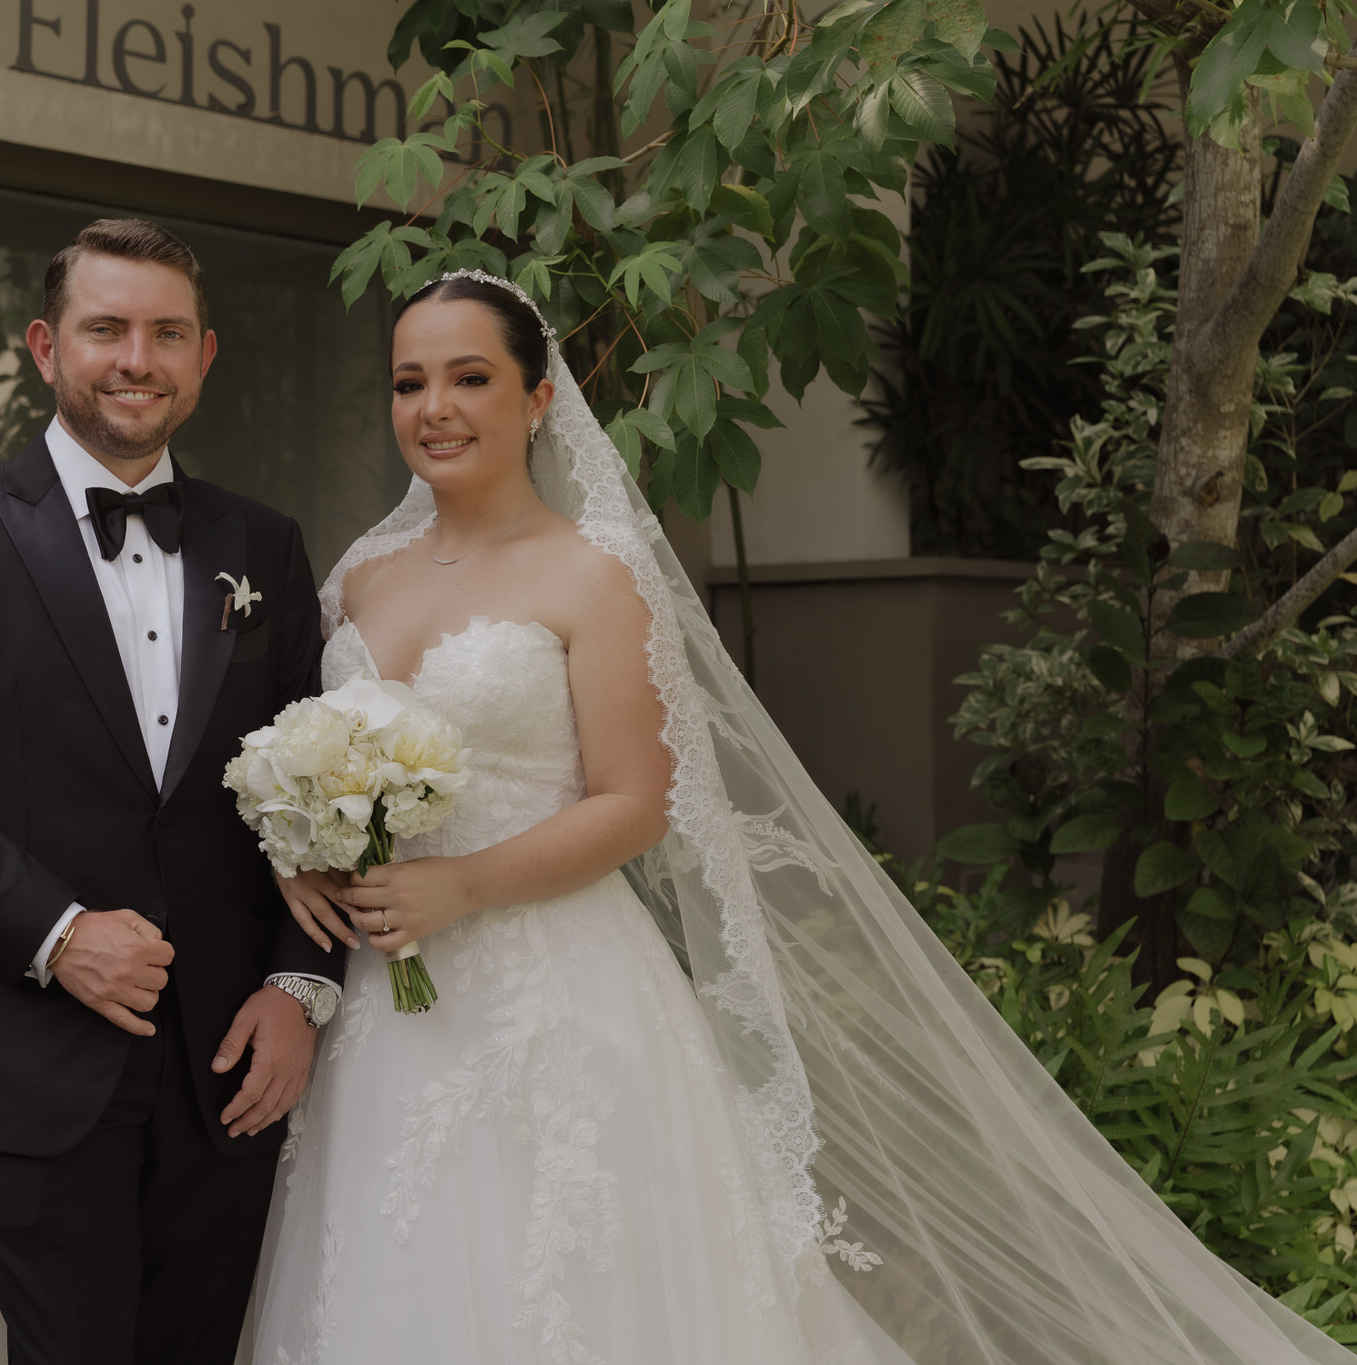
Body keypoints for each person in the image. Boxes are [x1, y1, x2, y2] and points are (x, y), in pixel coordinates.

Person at [248, 272, 1357, 1365]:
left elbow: (635, 804)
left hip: (548, 992)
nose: (433, 408)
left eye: (469, 377)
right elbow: (304, 758)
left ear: (537, 398)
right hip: (383, 1002)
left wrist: (464, 883)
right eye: (408, 383)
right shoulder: (358, 577)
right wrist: (300, 847)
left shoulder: (593, 573)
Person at [0, 218, 347, 1365]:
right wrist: (57, 933)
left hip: (230, 1058)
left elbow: (316, 787)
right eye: (106, 328)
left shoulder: (262, 544)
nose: (135, 359)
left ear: (202, 357)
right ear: (44, 347)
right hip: (36, 1050)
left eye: (165, 334)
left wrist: (299, 986)